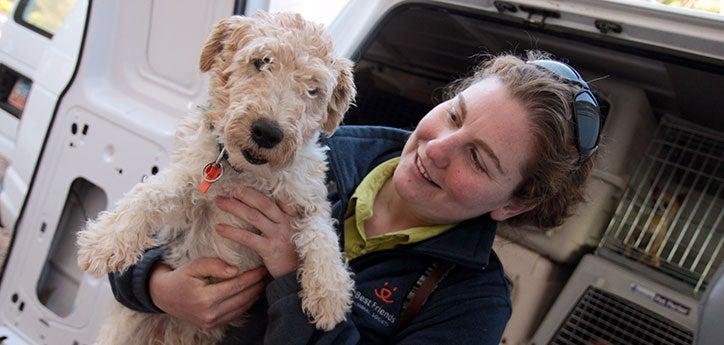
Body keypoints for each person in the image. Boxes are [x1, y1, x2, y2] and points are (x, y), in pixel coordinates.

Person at [108, 52, 600, 344]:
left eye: (479, 159)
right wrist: (158, 287)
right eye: (455, 115)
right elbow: (134, 237)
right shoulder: (304, 148)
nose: (438, 147)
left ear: (511, 205)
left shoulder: (471, 302)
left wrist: (292, 278)